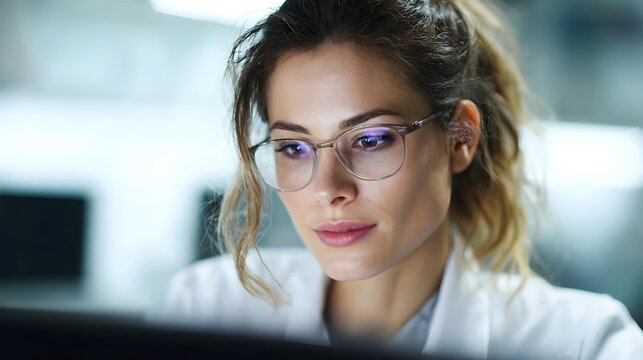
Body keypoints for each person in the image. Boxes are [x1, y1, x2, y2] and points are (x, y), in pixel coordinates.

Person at [155, 0, 643, 358]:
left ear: (460, 138)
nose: (328, 189)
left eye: (370, 140)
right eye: (294, 148)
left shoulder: (586, 343)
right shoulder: (204, 308)